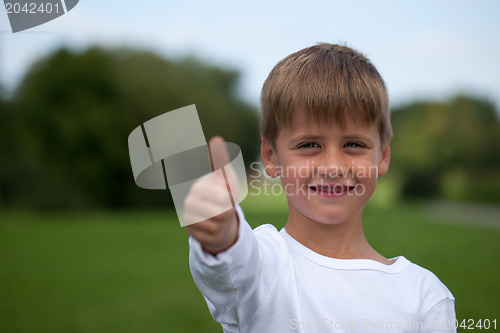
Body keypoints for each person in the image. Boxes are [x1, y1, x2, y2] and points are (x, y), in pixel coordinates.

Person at [184, 43, 456, 332]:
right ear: (270, 157)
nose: (333, 167)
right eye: (309, 145)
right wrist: (223, 234)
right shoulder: (263, 266)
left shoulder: (425, 297)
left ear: (383, 155)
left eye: (354, 144)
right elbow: (230, 266)